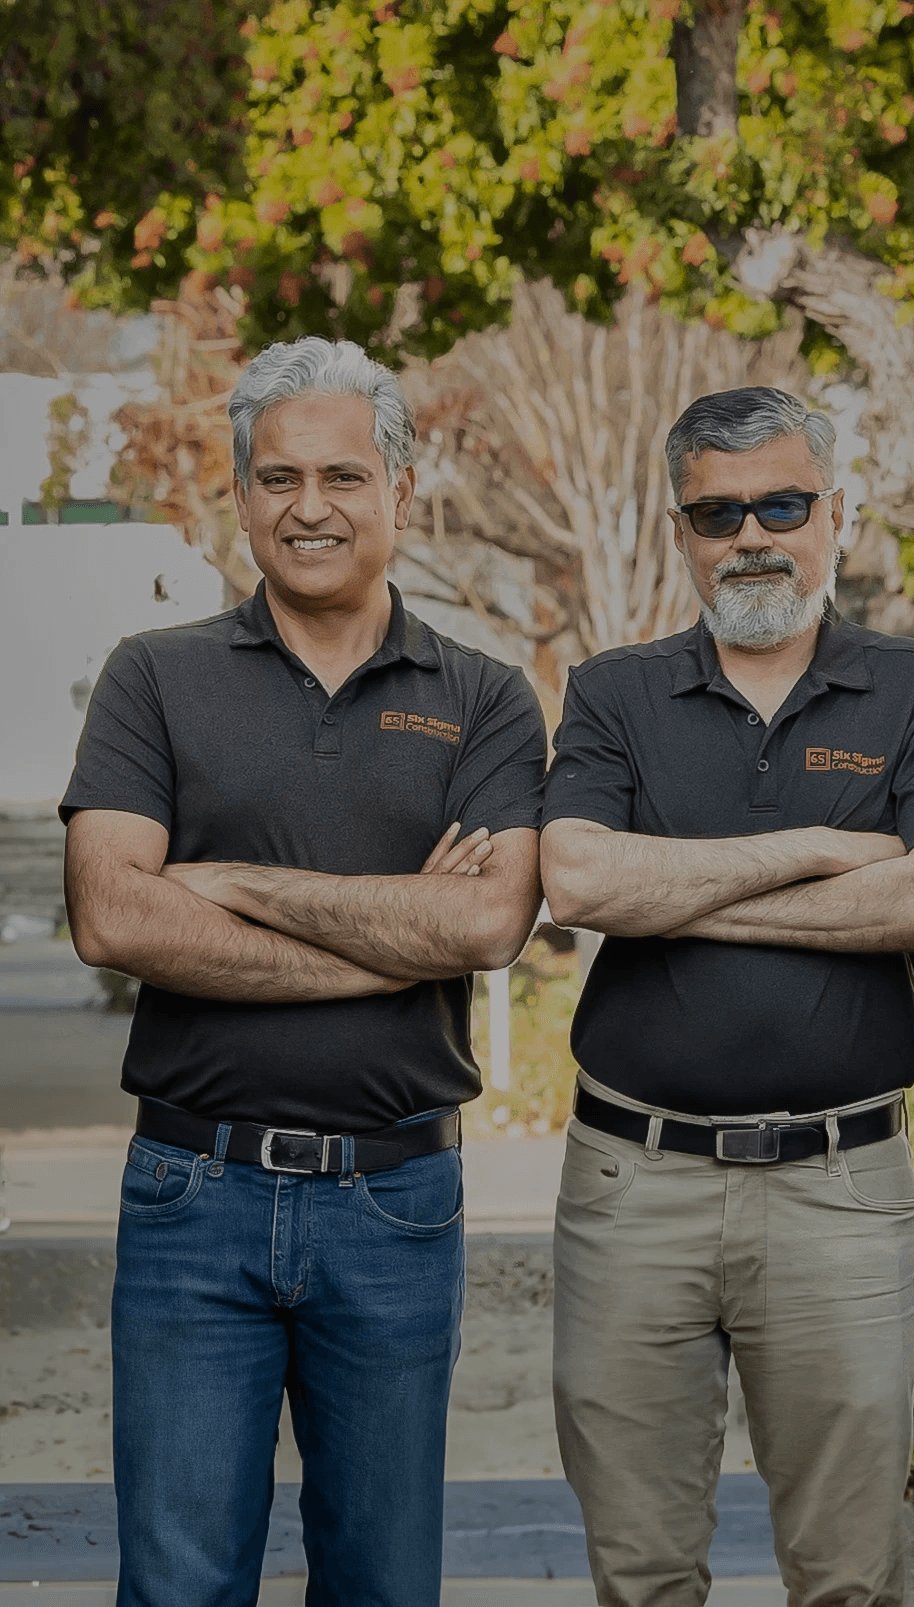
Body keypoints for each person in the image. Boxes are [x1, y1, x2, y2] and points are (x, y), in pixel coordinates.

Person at [62, 336, 545, 1607]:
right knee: (175, 1585)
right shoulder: (152, 678)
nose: (309, 506)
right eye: (278, 478)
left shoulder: (487, 697)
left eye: (341, 474)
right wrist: (394, 934)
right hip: (189, 1191)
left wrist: (228, 882)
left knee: (383, 1584)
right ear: (239, 497)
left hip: (395, 1201)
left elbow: (490, 925)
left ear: (399, 487)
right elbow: (113, 916)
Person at [540, 387, 914, 1607]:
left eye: (782, 504)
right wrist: (830, 848)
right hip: (634, 1187)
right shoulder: (613, 691)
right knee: (639, 1576)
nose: (751, 534)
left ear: (835, 512)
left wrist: (675, 891)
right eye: (717, 511)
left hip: (841, 1194)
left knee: (848, 1578)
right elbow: (577, 874)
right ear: (683, 528)